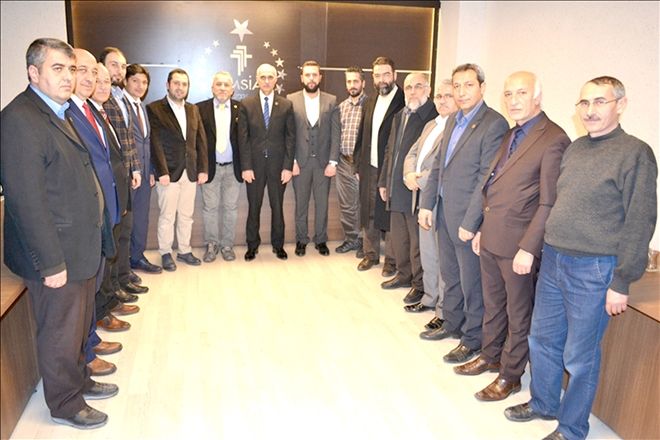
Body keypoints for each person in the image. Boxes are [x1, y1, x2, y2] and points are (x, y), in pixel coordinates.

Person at [505, 76, 657, 440]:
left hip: (594, 269)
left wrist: (622, 281)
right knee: (542, 339)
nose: (590, 110)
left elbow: (640, 220)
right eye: (584, 103)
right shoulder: (575, 149)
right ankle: (544, 402)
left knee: (579, 355)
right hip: (554, 260)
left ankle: (572, 429)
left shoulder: (635, 153)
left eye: (600, 102)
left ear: (621, 105)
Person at [1, 37, 117, 429]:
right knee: (60, 333)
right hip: (55, 255)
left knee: (77, 326)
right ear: (33, 73)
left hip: (78, 246)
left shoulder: (58, 111)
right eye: (57, 68)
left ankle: (79, 380)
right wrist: (50, 263)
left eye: (70, 69)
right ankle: (65, 404)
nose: (68, 77)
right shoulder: (19, 120)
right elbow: (26, 201)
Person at [454, 71, 570, 403]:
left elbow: (548, 201)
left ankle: (510, 375)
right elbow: (493, 184)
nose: (513, 100)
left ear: (537, 97)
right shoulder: (511, 133)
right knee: (493, 306)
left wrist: (529, 248)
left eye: (521, 93)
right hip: (492, 238)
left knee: (519, 314)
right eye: (508, 94)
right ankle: (490, 356)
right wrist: (480, 227)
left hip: (519, 246)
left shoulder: (554, 138)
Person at [418, 63, 508, 363]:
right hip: (444, 212)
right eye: (456, 86)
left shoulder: (493, 124)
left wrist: (472, 222)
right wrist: (427, 204)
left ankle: (472, 339)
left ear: (482, 87)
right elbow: (438, 167)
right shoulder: (453, 119)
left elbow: (486, 179)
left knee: (472, 283)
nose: (461, 92)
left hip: (468, 220)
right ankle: (452, 323)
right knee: (451, 276)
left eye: (468, 85)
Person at [66, 49, 132, 376]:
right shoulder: (66, 114)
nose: (90, 78)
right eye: (83, 70)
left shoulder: (91, 109)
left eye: (94, 72)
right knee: (87, 287)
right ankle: (87, 349)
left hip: (105, 206)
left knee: (96, 279)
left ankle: (91, 339)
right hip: (85, 216)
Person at [99, 47, 156, 288]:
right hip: (119, 175)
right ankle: (120, 275)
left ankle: (133, 260)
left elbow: (141, 142)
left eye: (122, 66)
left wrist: (147, 170)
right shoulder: (106, 100)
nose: (140, 86)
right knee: (120, 227)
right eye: (114, 65)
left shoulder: (136, 105)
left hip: (138, 172)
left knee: (136, 221)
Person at [378, 72, 437, 304]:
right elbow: (390, 150)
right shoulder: (400, 115)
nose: (413, 92)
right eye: (409, 87)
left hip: (415, 188)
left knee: (417, 242)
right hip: (396, 185)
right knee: (399, 238)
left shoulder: (433, 117)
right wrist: (384, 181)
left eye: (418, 86)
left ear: (428, 90)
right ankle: (403, 275)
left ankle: (419, 284)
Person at [405, 80, 457, 331]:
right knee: (428, 254)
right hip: (423, 199)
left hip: (439, 200)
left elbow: (444, 168)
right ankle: (429, 298)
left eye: (448, 95)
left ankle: (443, 310)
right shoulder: (431, 124)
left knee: (442, 258)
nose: (442, 100)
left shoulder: (456, 129)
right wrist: (408, 174)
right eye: (439, 96)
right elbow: (412, 153)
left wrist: (419, 180)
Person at [148, 68, 209, 270]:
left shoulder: (193, 109)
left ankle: (184, 250)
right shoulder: (155, 109)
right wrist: (161, 171)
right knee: (167, 216)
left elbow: (200, 140)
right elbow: (155, 143)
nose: (180, 87)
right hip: (169, 173)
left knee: (186, 215)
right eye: (176, 83)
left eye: (184, 84)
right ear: (168, 85)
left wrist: (203, 168)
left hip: (190, 172)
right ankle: (165, 252)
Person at [238, 63, 295, 261]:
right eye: (263, 77)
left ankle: (278, 245)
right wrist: (246, 167)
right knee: (254, 207)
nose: (267, 81)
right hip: (254, 167)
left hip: (278, 167)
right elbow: (243, 139)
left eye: (270, 77)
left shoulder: (286, 105)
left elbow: (290, 138)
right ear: (257, 79)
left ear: (276, 80)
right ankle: (252, 245)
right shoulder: (246, 104)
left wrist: (288, 167)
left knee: (277, 207)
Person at [353, 56, 404, 274]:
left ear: (395, 75)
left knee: (390, 215)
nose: (382, 79)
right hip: (370, 167)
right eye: (377, 75)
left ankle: (391, 261)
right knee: (369, 212)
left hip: (391, 169)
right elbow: (362, 134)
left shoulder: (403, 101)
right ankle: (370, 254)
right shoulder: (370, 101)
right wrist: (358, 165)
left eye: (386, 74)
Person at [287, 60, 340, 257]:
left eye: (314, 75)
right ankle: (301, 240)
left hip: (323, 163)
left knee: (322, 204)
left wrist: (333, 162)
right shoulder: (291, 100)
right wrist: (291, 161)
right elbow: (289, 134)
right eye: (307, 75)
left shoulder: (331, 100)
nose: (311, 78)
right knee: (301, 205)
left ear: (320, 77)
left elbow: (336, 133)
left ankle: (321, 239)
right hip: (299, 163)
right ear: (302, 77)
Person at [196, 71, 242, 262]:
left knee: (231, 208)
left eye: (226, 85)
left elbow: (245, 140)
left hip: (233, 168)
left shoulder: (241, 108)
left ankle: (227, 245)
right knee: (210, 208)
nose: (222, 88)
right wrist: (200, 168)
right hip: (210, 168)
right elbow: (197, 141)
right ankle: (211, 244)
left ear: (232, 89)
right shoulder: (200, 109)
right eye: (219, 84)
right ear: (212, 88)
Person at [123, 64, 158, 271]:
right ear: (125, 81)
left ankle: (137, 256)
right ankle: (123, 265)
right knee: (126, 221)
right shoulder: (119, 105)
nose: (140, 86)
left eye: (144, 82)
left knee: (141, 219)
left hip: (144, 173)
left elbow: (147, 141)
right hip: (129, 174)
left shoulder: (142, 107)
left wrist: (150, 170)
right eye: (135, 81)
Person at [335, 66, 367, 256]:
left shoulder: (370, 105)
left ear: (363, 83)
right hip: (343, 162)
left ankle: (365, 242)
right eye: (349, 81)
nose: (352, 85)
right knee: (347, 205)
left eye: (356, 81)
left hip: (362, 163)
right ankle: (351, 239)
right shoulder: (341, 107)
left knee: (363, 204)